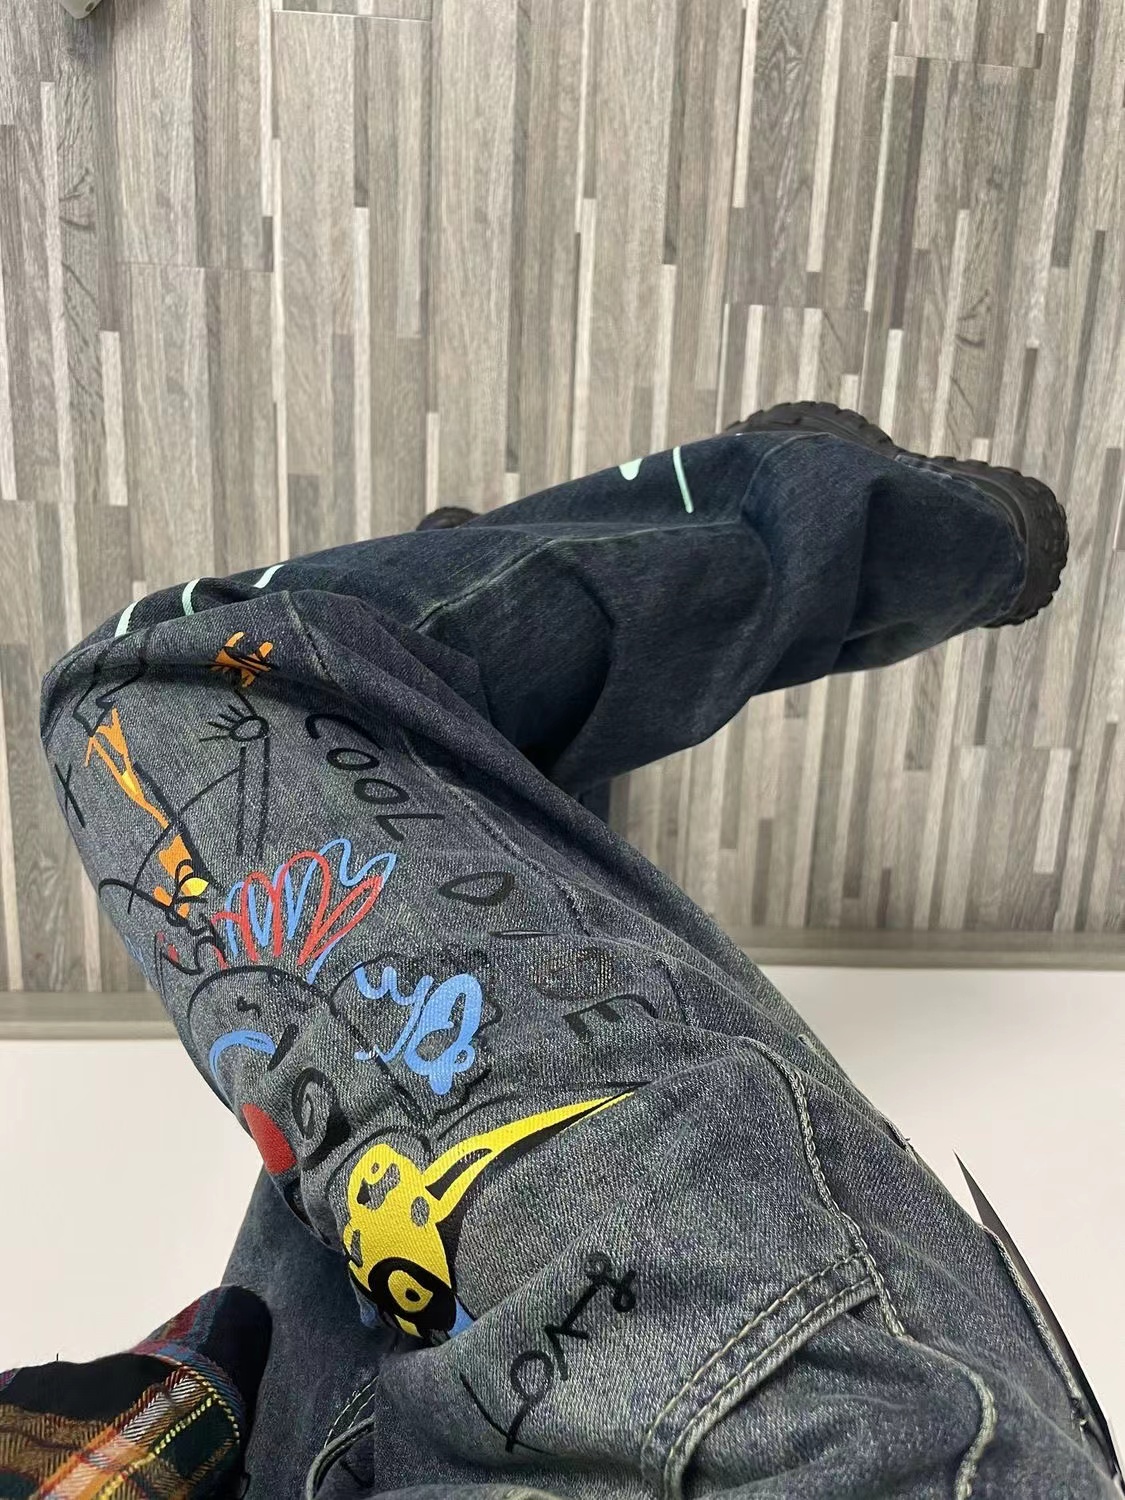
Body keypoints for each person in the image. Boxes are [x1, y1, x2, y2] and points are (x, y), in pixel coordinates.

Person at [8, 402, 1120, 1499]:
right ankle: (873, 521)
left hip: (295, 1461)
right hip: (754, 1443)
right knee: (152, 693)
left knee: (415, 833)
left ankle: (463, 699)